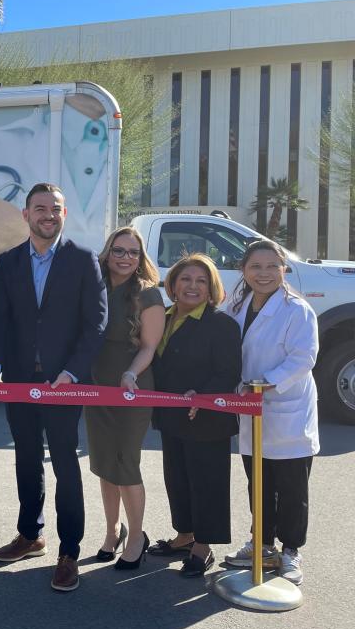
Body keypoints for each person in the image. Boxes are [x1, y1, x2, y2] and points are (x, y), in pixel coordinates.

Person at [0, 182, 107, 592]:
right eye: (40, 208)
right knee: (26, 459)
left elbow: (95, 326)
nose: (47, 215)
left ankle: (69, 551)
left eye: (55, 209)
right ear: (25, 215)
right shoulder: (10, 262)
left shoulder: (83, 261)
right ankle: (30, 534)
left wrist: (72, 371)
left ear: (64, 214)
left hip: (64, 384)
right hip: (20, 382)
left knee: (66, 466)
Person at [223, 240, 318, 586]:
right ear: (244, 271)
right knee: (258, 482)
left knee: (292, 487)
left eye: (271, 267)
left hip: (285, 407)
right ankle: (262, 544)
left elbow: (303, 358)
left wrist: (266, 383)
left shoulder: (297, 310)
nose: (263, 274)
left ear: (284, 270)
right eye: (255, 267)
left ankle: (291, 551)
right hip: (250, 409)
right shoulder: (235, 305)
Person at [149, 253, 241, 577]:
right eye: (185, 279)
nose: (192, 286)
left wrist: (202, 396)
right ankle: (184, 535)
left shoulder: (222, 324)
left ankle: (203, 547)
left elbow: (228, 372)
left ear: (211, 287)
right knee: (177, 478)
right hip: (171, 415)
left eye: (201, 281)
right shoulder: (162, 316)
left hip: (207, 418)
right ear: (172, 284)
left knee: (207, 482)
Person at [84, 227, 164, 569]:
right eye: (119, 251)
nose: (126, 258)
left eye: (133, 252)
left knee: (126, 463)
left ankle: (136, 536)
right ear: (107, 252)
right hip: (96, 384)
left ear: (141, 256)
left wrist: (130, 374)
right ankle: (112, 530)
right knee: (104, 463)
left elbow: (149, 346)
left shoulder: (149, 294)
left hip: (132, 387)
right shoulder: (93, 287)